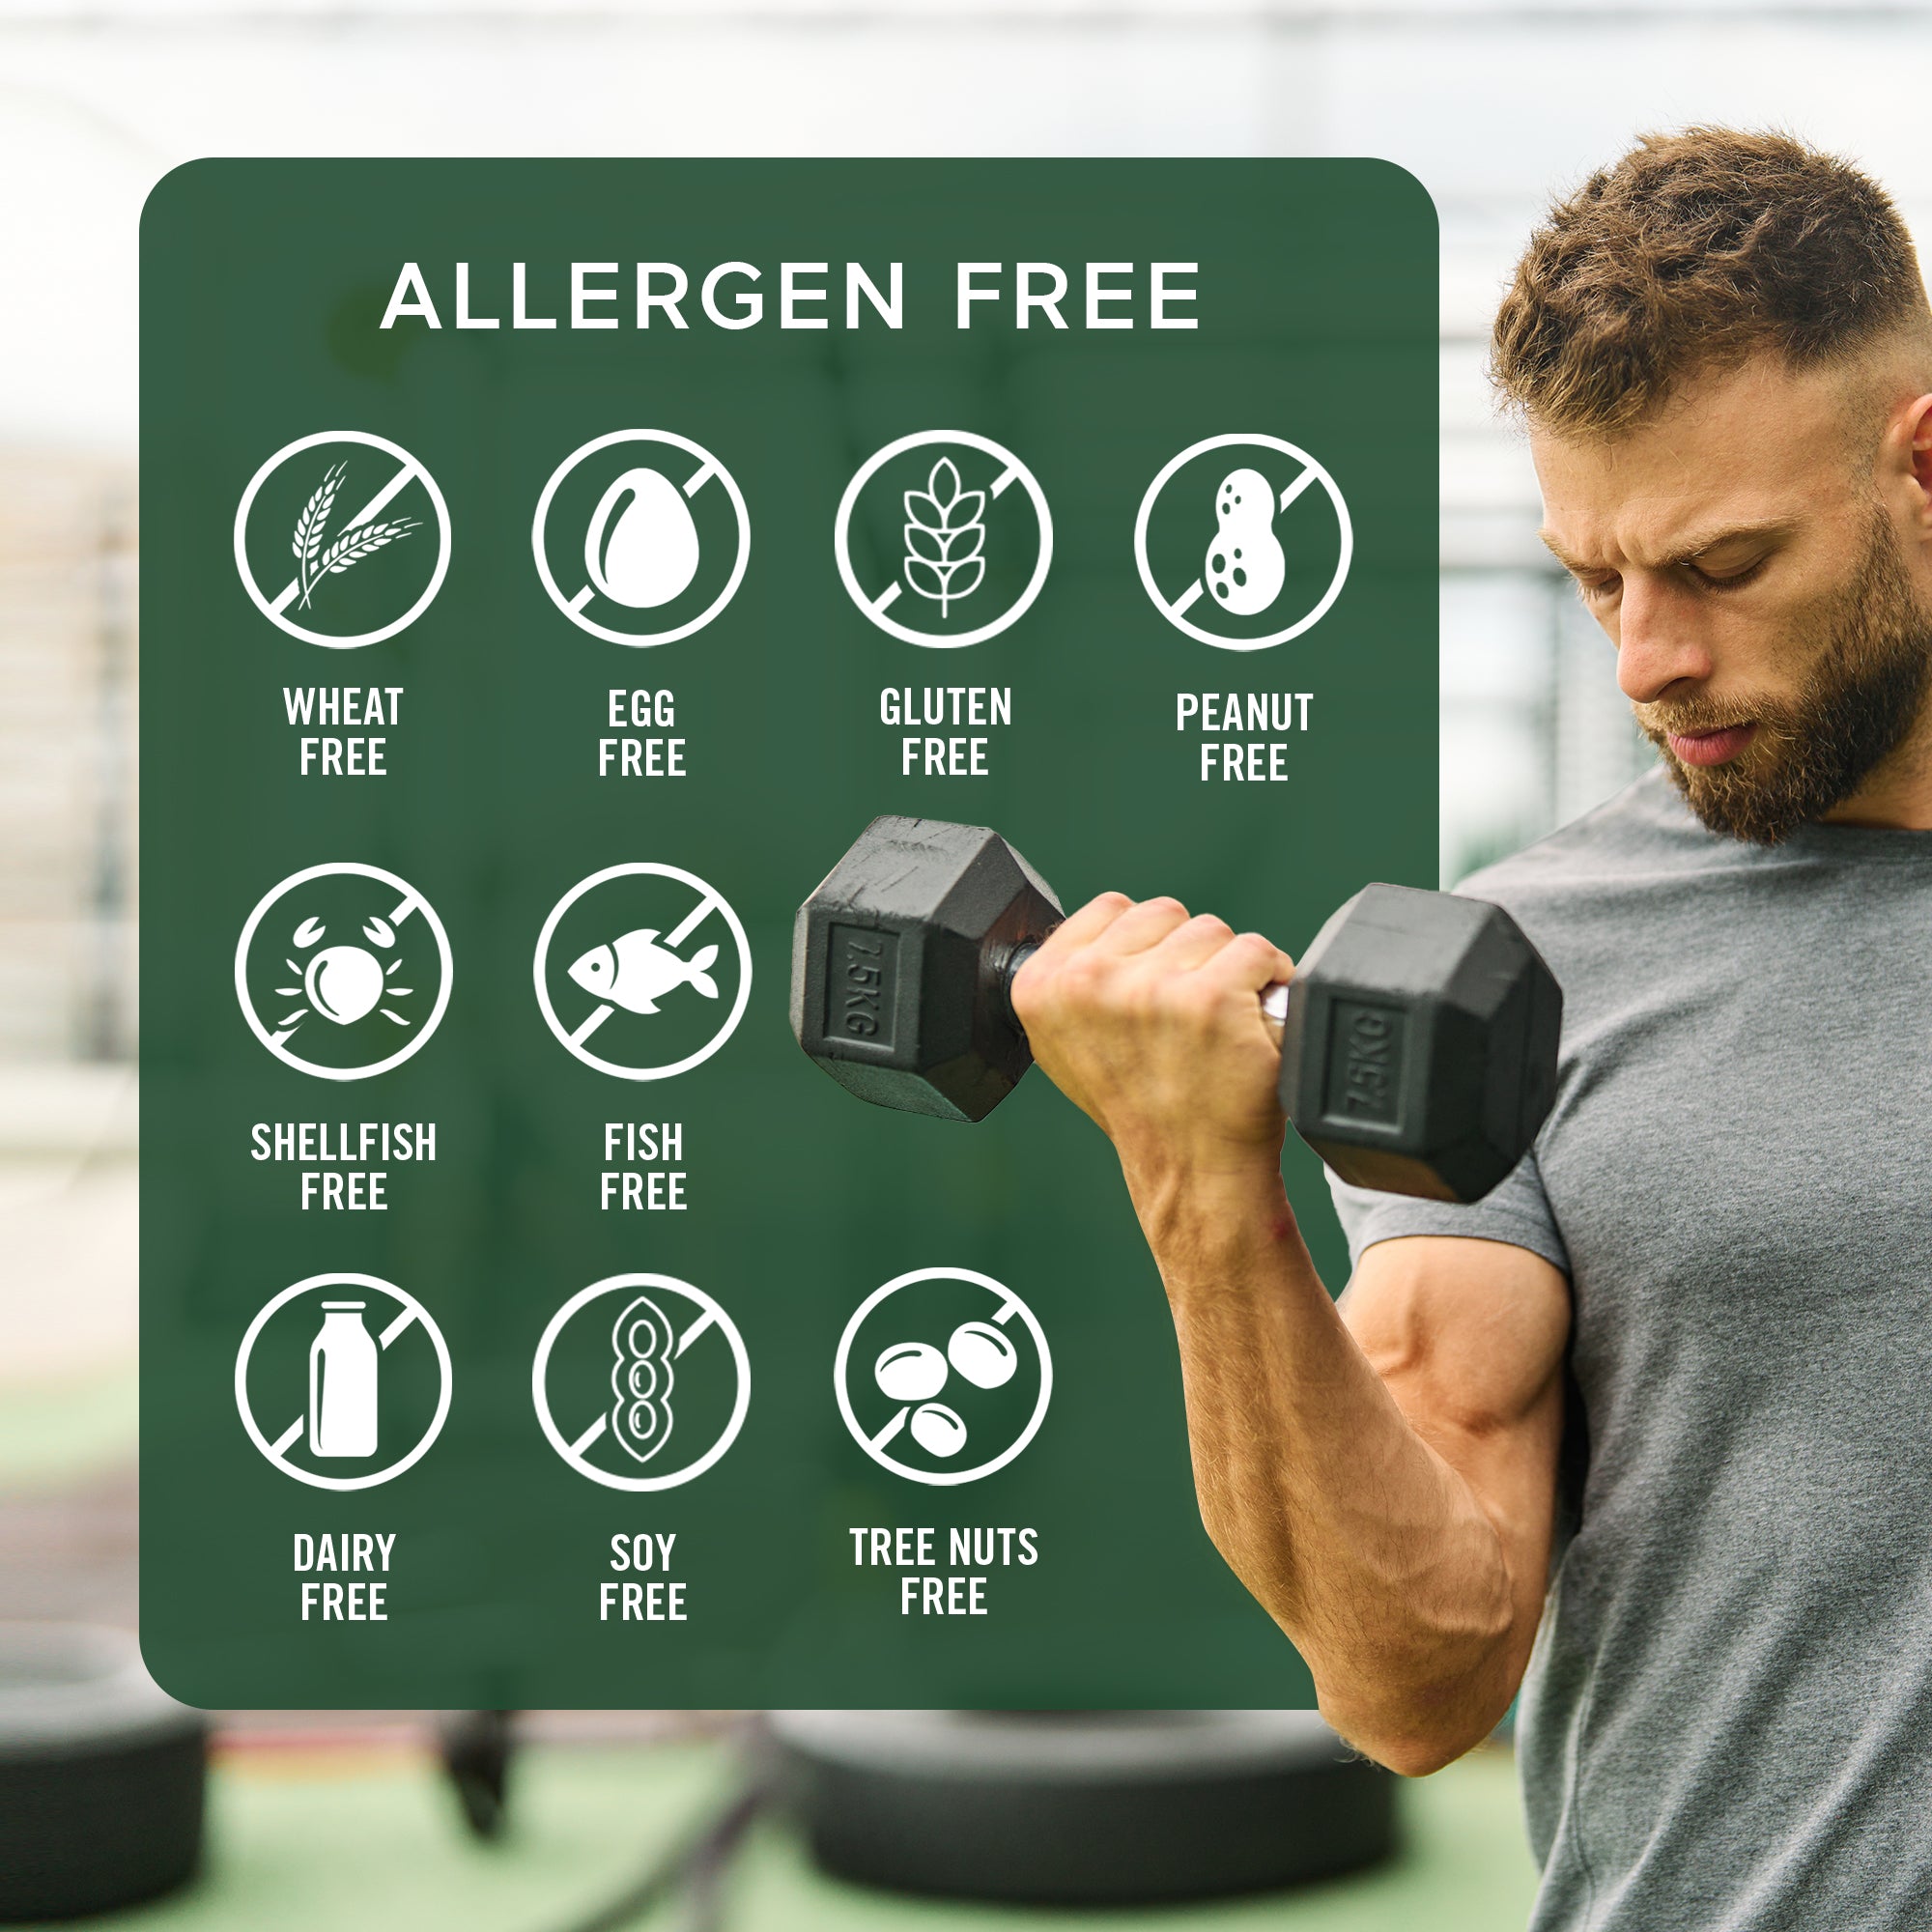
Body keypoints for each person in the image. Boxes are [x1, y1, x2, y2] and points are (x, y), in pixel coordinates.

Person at [1011, 127, 1932, 1929]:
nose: (1644, 660)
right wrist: (1202, 1189)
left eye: (1722, 566)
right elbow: (1416, 1677)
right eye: (1599, 580)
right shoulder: (1519, 975)